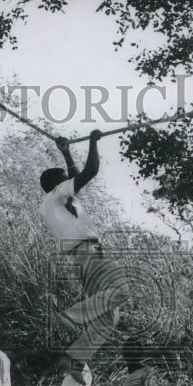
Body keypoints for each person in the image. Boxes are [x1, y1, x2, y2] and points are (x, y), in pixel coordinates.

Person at [39, 130, 131, 364]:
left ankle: (74, 359)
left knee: (108, 318)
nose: (71, 178)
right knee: (121, 290)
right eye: (65, 178)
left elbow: (75, 175)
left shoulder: (53, 202)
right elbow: (89, 172)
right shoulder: (59, 194)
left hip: (80, 259)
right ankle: (72, 316)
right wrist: (92, 141)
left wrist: (67, 152)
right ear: (58, 183)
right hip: (88, 254)